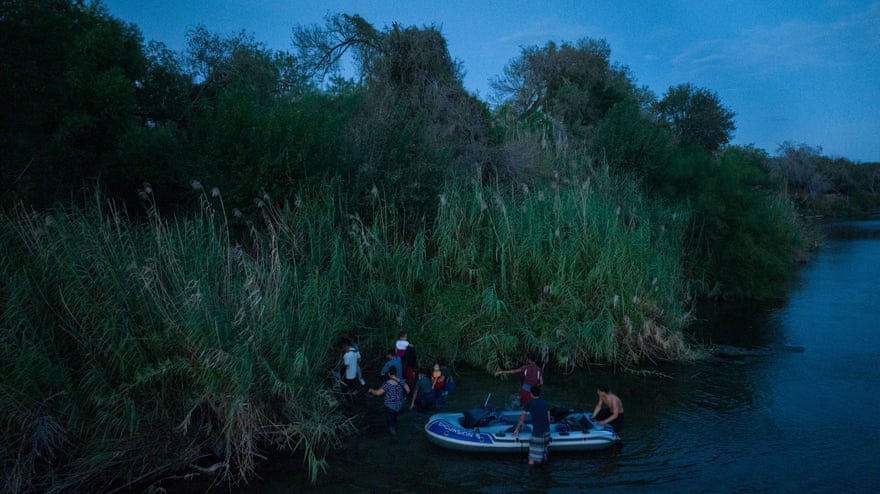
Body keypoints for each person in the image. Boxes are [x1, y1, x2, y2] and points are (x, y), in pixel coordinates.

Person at [513, 384, 551, 466]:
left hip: (537, 433)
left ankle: (532, 476)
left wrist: (517, 429)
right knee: (544, 455)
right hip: (547, 432)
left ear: (531, 394)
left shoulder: (529, 403)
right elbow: (549, 420)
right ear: (539, 393)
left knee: (532, 459)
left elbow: (521, 419)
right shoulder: (545, 403)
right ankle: (544, 471)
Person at [368, 366, 410, 434]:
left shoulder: (387, 384)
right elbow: (408, 390)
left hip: (390, 406)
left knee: (390, 424)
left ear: (389, 374)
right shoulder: (401, 382)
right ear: (396, 373)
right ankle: (395, 428)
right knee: (395, 419)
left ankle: (393, 435)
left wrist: (372, 390)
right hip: (399, 406)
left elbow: (378, 393)